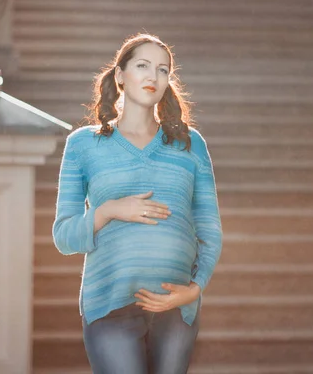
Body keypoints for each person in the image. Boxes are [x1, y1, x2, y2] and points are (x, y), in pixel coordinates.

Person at [52, 33, 223, 374]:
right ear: (120, 75)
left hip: (176, 307)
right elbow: (63, 236)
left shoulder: (190, 144)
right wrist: (110, 210)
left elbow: (210, 228)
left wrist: (194, 289)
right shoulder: (83, 145)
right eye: (142, 66)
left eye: (163, 70)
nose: (152, 76)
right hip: (109, 304)